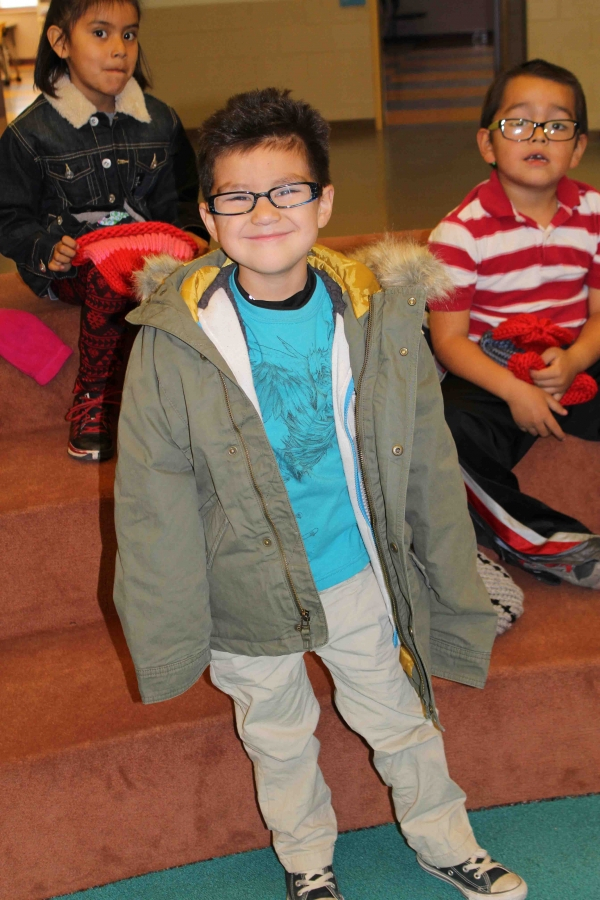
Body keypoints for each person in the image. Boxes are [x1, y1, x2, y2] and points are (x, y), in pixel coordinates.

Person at [113, 87, 527, 900]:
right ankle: (308, 864)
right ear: (209, 215)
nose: (264, 212)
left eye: (287, 190)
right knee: (277, 737)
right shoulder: (174, 339)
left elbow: (427, 459)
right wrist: (171, 627)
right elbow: (152, 497)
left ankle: (446, 841)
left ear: (324, 202)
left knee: (402, 718)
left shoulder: (378, 316)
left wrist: (446, 573)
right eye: (237, 197)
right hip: (244, 589)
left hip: (354, 571)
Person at [0, 0, 209, 461]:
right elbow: (8, 215)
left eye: (129, 34)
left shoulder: (161, 121)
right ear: (60, 42)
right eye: (100, 33)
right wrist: (43, 247)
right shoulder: (28, 135)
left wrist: (191, 232)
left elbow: (181, 196)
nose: (119, 48)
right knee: (107, 276)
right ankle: (94, 399)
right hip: (70, 268)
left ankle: (190, 402)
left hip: (147, 259)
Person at [428, 59, 600, 590]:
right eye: (519, 122)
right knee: (440, 431)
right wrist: (514, 391)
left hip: (574, 358)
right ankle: (543, 541)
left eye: (557, 124)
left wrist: (574, 358)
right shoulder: (458, 234)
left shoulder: (595, 213)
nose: (539, 135)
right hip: (493, 368)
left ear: (578, 147)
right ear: (488, 143)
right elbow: (449, 341)